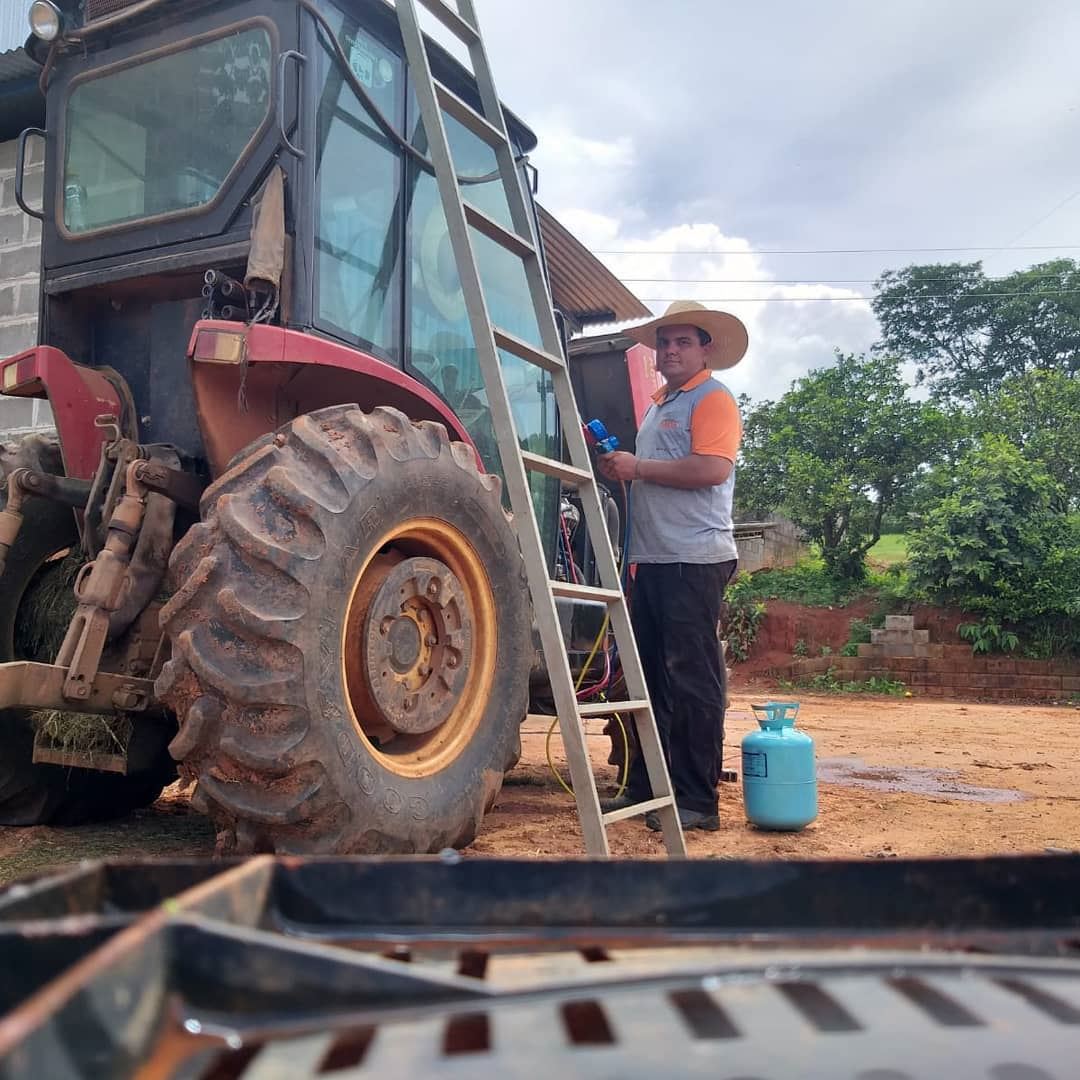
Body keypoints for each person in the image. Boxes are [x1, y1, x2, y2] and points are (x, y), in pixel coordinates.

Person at [597, 300, 747, 831]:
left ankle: (697, 801)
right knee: (649, 683)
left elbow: (710, 469)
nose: (671, 350)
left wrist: (639, 468)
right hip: (654, 560)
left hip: (693, 559)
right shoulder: (660, 404)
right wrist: (630, 469)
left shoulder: (713, 399)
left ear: (706, 349)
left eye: (683, 341)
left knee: (691, 681)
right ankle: (648, 789)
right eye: (664, 342)